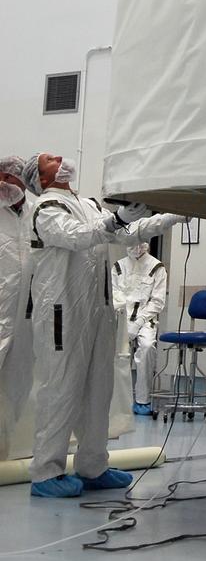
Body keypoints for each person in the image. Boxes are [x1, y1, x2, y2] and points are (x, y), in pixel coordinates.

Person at [23, 152, 185, 498]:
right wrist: (115, 219)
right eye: (49, 159)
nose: (59, 157)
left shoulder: (88, 204)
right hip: (61, 313)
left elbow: (126, 235)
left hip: (98, 311)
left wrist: (170, 216)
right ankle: (45, 472)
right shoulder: (47, 208)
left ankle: (93, 466)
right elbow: (78, 237)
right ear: (43, 178)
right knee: (61, 389)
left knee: (99, 390)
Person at [0, 156, 34, 460]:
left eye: (11, 178)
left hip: (25, 315)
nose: (6, 183)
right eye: (2, 177)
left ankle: (7, 448)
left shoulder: (34, 214)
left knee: (18, 379)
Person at [112, 243, 167, 415]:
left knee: (147, 347)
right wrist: (125, 323)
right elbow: (114, 294)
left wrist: (139, 321)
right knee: (118, 352)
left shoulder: (157, 267)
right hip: (121, 317)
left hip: (146, 319)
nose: (136, 248)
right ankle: (117, 400)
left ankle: (142, 400)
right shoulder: (118, 266)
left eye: (140, 243)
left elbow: (157, 301)